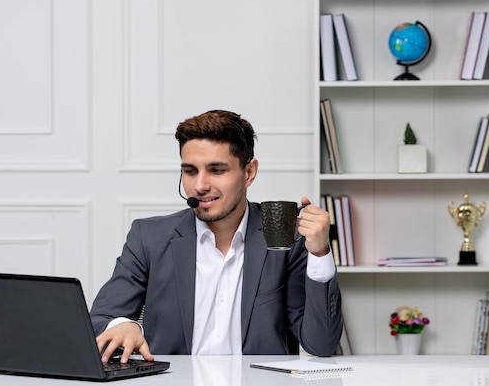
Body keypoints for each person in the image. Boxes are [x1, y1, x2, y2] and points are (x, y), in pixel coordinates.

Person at [90, 110, 342, 363]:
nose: (200, 185)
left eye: (216, 170)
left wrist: (320, 254)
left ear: (249, 172)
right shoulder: (149, 237)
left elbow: (321, 344)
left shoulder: (286, 239)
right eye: (190, 171)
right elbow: (99, 319)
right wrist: (124, 325)